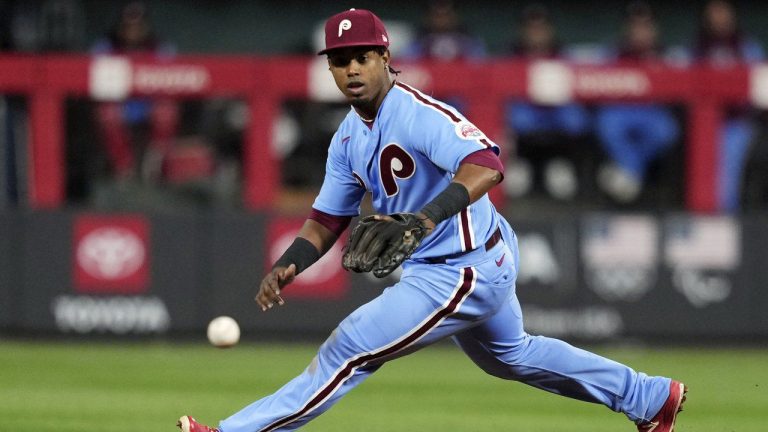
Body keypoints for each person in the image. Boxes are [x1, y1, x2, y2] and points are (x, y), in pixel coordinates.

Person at [178, 9, 686, 432]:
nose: (351, 69)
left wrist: (422, 220)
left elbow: (488, 165)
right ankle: (649, 397)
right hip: (455, 261)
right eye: (340, 61)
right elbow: (326, 219)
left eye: (361, 57)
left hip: (462, 266)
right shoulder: (349, 137)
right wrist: (289, 264)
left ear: (384, 58)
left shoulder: (420, 114)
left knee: (349, 349)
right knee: (512, 356)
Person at [594, 1, 680, 204]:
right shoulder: (612, 53)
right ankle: (634, 175)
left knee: (666, 131)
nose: (639, 32)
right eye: (635, 26)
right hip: (621, 110)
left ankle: (628, 175)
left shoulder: (668, 56)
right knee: (607, 124)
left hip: (652, 112)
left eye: (645, 26)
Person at [504, 4, 591, 201]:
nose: (536, 34)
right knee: (512, 117)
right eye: (531, 28)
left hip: (557, 109)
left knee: (575, 119)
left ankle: (561, 163)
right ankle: (516, 164)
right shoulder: (512, 55)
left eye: (541, 28)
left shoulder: (563, 54)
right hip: (525, 108)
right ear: (522, 31)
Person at [91, 1, 179, 182]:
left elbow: (176, 80)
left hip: (149, 105)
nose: (133, 30)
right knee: (108, 113)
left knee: (166, 111)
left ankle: (155, 166)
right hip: (121, 105)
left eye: (138, 25)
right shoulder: (106, 47)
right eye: (128, 25)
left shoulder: (160, 48)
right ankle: (124, 169)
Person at [692, 0, 764, 212]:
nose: (719, 17)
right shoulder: (698, 48)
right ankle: (703, 220)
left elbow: (760, 88)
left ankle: (725, 220)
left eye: (723, 11)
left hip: (737, 123)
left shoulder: (747, 47)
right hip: (703, 122)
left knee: (727, 176)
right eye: (714, 12)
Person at [401, 0, 485, 62]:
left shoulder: (467, 38)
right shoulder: (419, 38)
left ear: (454, 16)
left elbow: (479, 63)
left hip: (462, 81)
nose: (442, 20)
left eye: (446, 15)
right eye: (437, 15)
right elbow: (408, 62)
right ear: (428, 17)